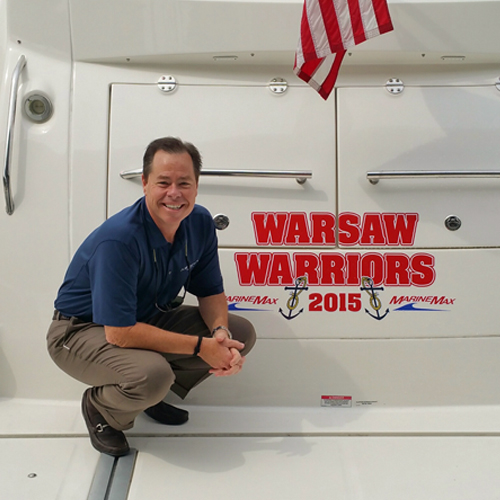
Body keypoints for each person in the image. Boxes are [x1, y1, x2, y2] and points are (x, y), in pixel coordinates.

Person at [46, 137, 256, 457]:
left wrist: (220, 335)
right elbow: (119, 333)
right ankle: (103, 409)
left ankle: (151, 396)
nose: (175, 193)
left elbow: (211, 292)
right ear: (144, 184)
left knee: (240, 333)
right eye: (163, 182)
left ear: (196, 187)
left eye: (184, 182)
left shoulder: (199, 222)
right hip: (79, 331)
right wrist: (203, 348)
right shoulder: (119, 239)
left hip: (144, 316)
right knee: (152, 375)